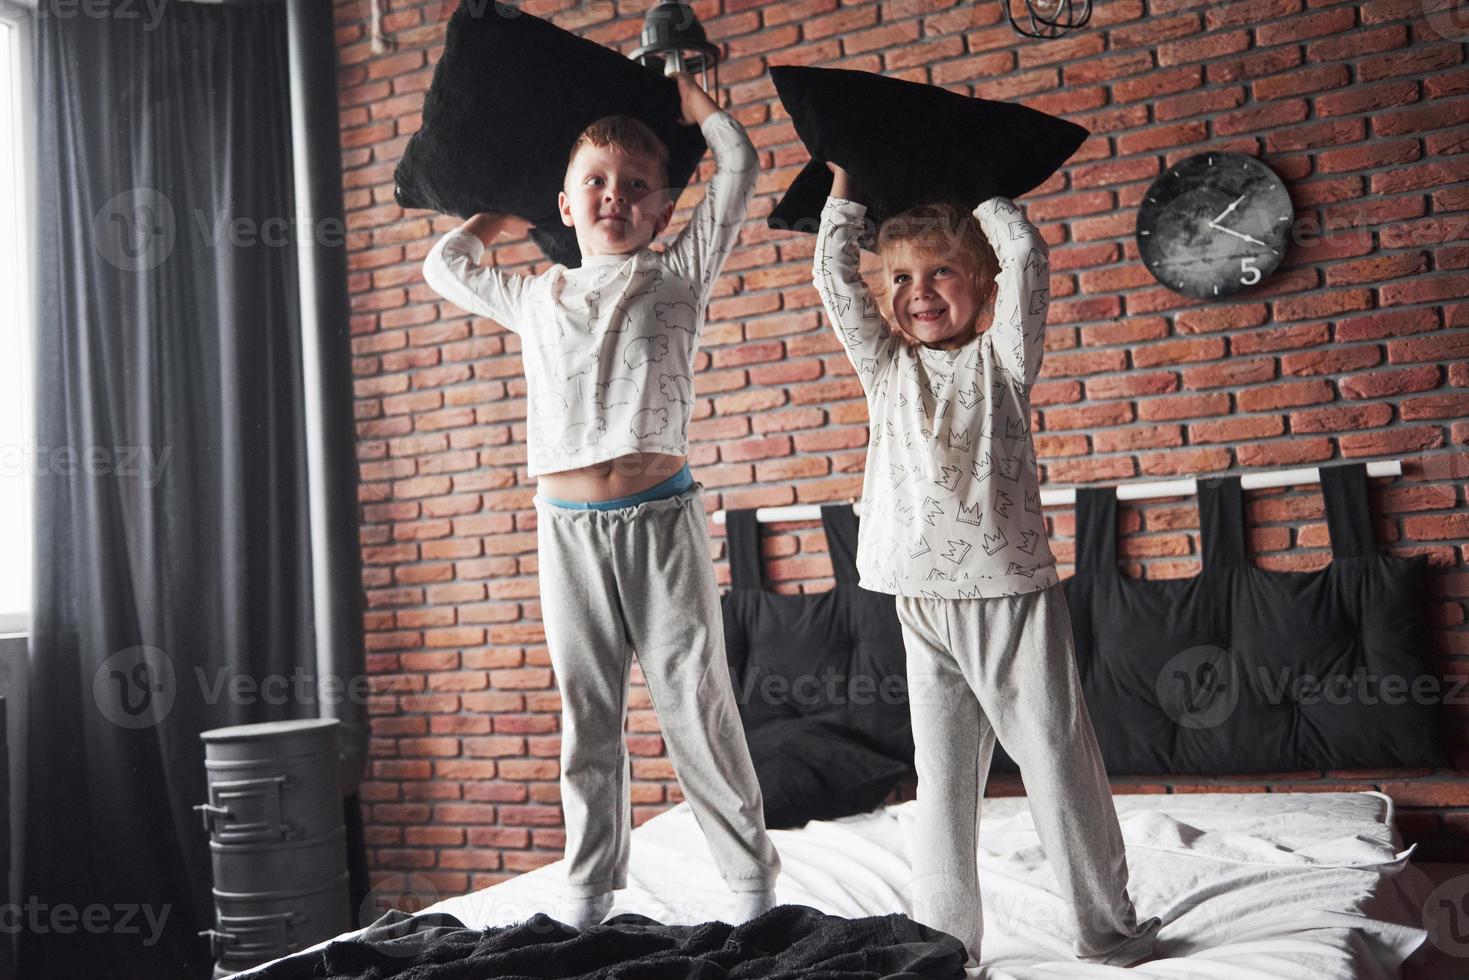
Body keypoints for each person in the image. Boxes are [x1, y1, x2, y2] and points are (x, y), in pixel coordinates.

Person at [422, 73, 780, 930]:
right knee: (587, 713)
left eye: (633, 186)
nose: (613, 196)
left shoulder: (678, 275)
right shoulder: (532, 296)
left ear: (659, 211)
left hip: (660, 520)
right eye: (595, 182)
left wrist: (697, 104)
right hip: (567, 532)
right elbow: (445, 264)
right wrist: (497, 220)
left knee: (694, 698)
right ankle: (586, 892)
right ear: (567, 203)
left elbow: (737, 167)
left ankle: (751, 888)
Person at [811, 161, 1162, 969]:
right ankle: (947, 945)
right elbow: (834, 279)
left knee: (1054, 761)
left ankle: (1107, 930)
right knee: (941, 786)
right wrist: (842, 191)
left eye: (941, 272)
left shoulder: (1002, 362)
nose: (918, 290)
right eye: (900, 276)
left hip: (1007, 596)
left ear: (981, 282)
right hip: (919, 597)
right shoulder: (885, 368)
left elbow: (1029, 257)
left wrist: (981, 181)